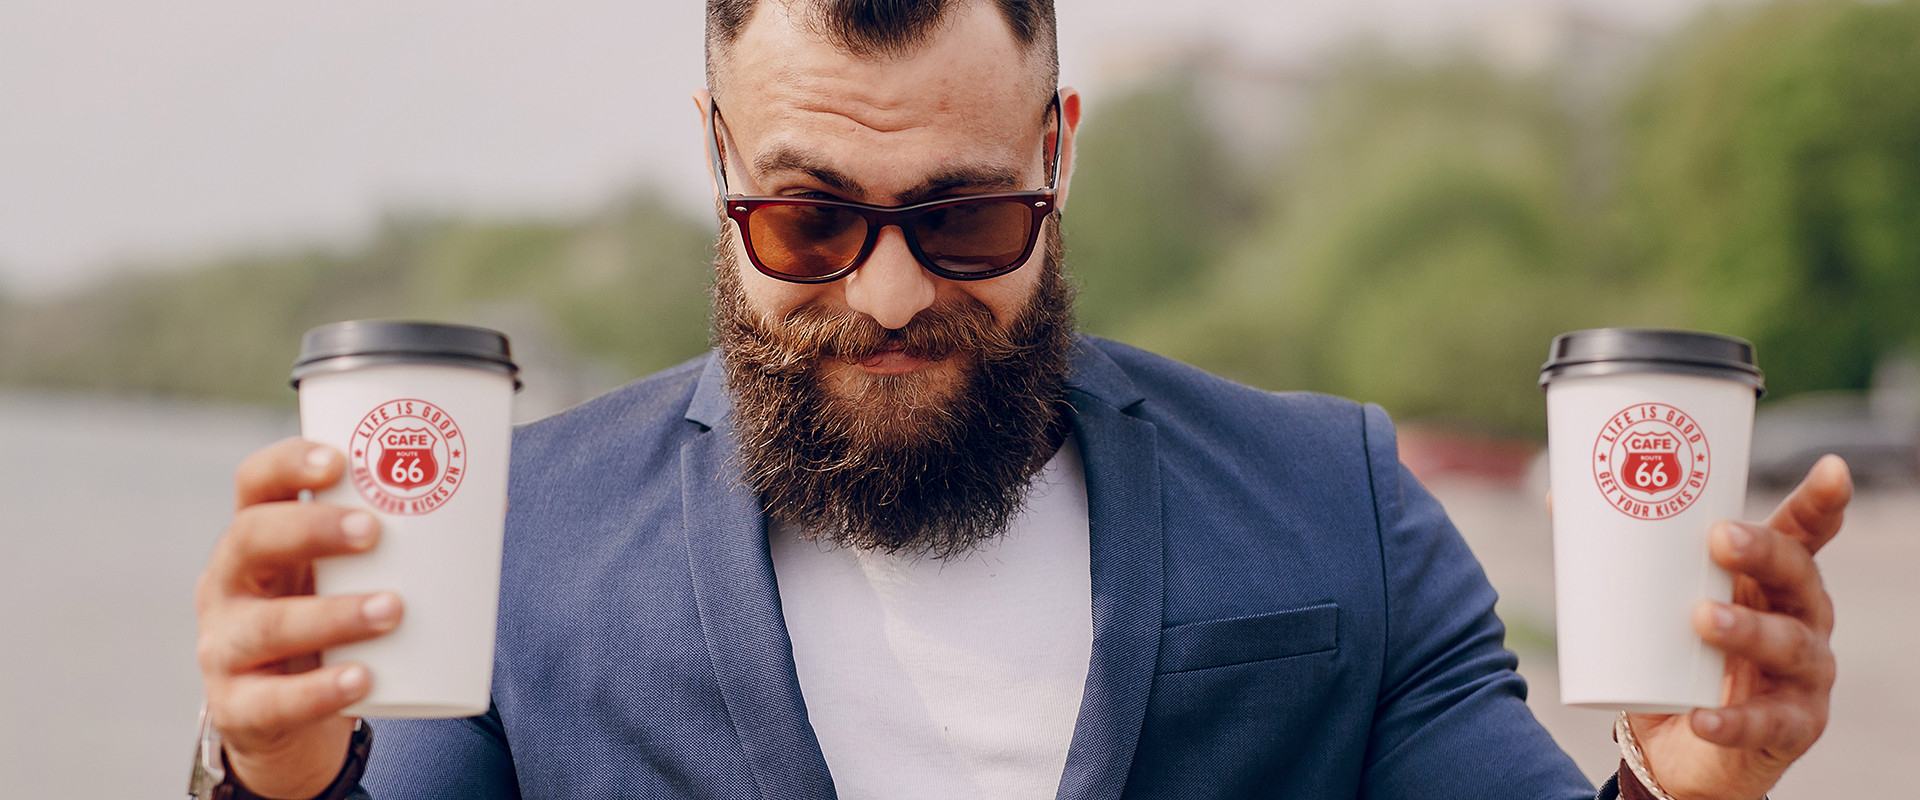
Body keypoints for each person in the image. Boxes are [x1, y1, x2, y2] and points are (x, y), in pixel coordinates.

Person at [190, 1, 1849, 798]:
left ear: (1059, 154)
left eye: (968, 217)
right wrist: (269, 766)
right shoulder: (511, 546)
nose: (893, 290)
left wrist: (1694, 780)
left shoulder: (1329, 498)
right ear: (715, 164)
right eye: (811, 218)